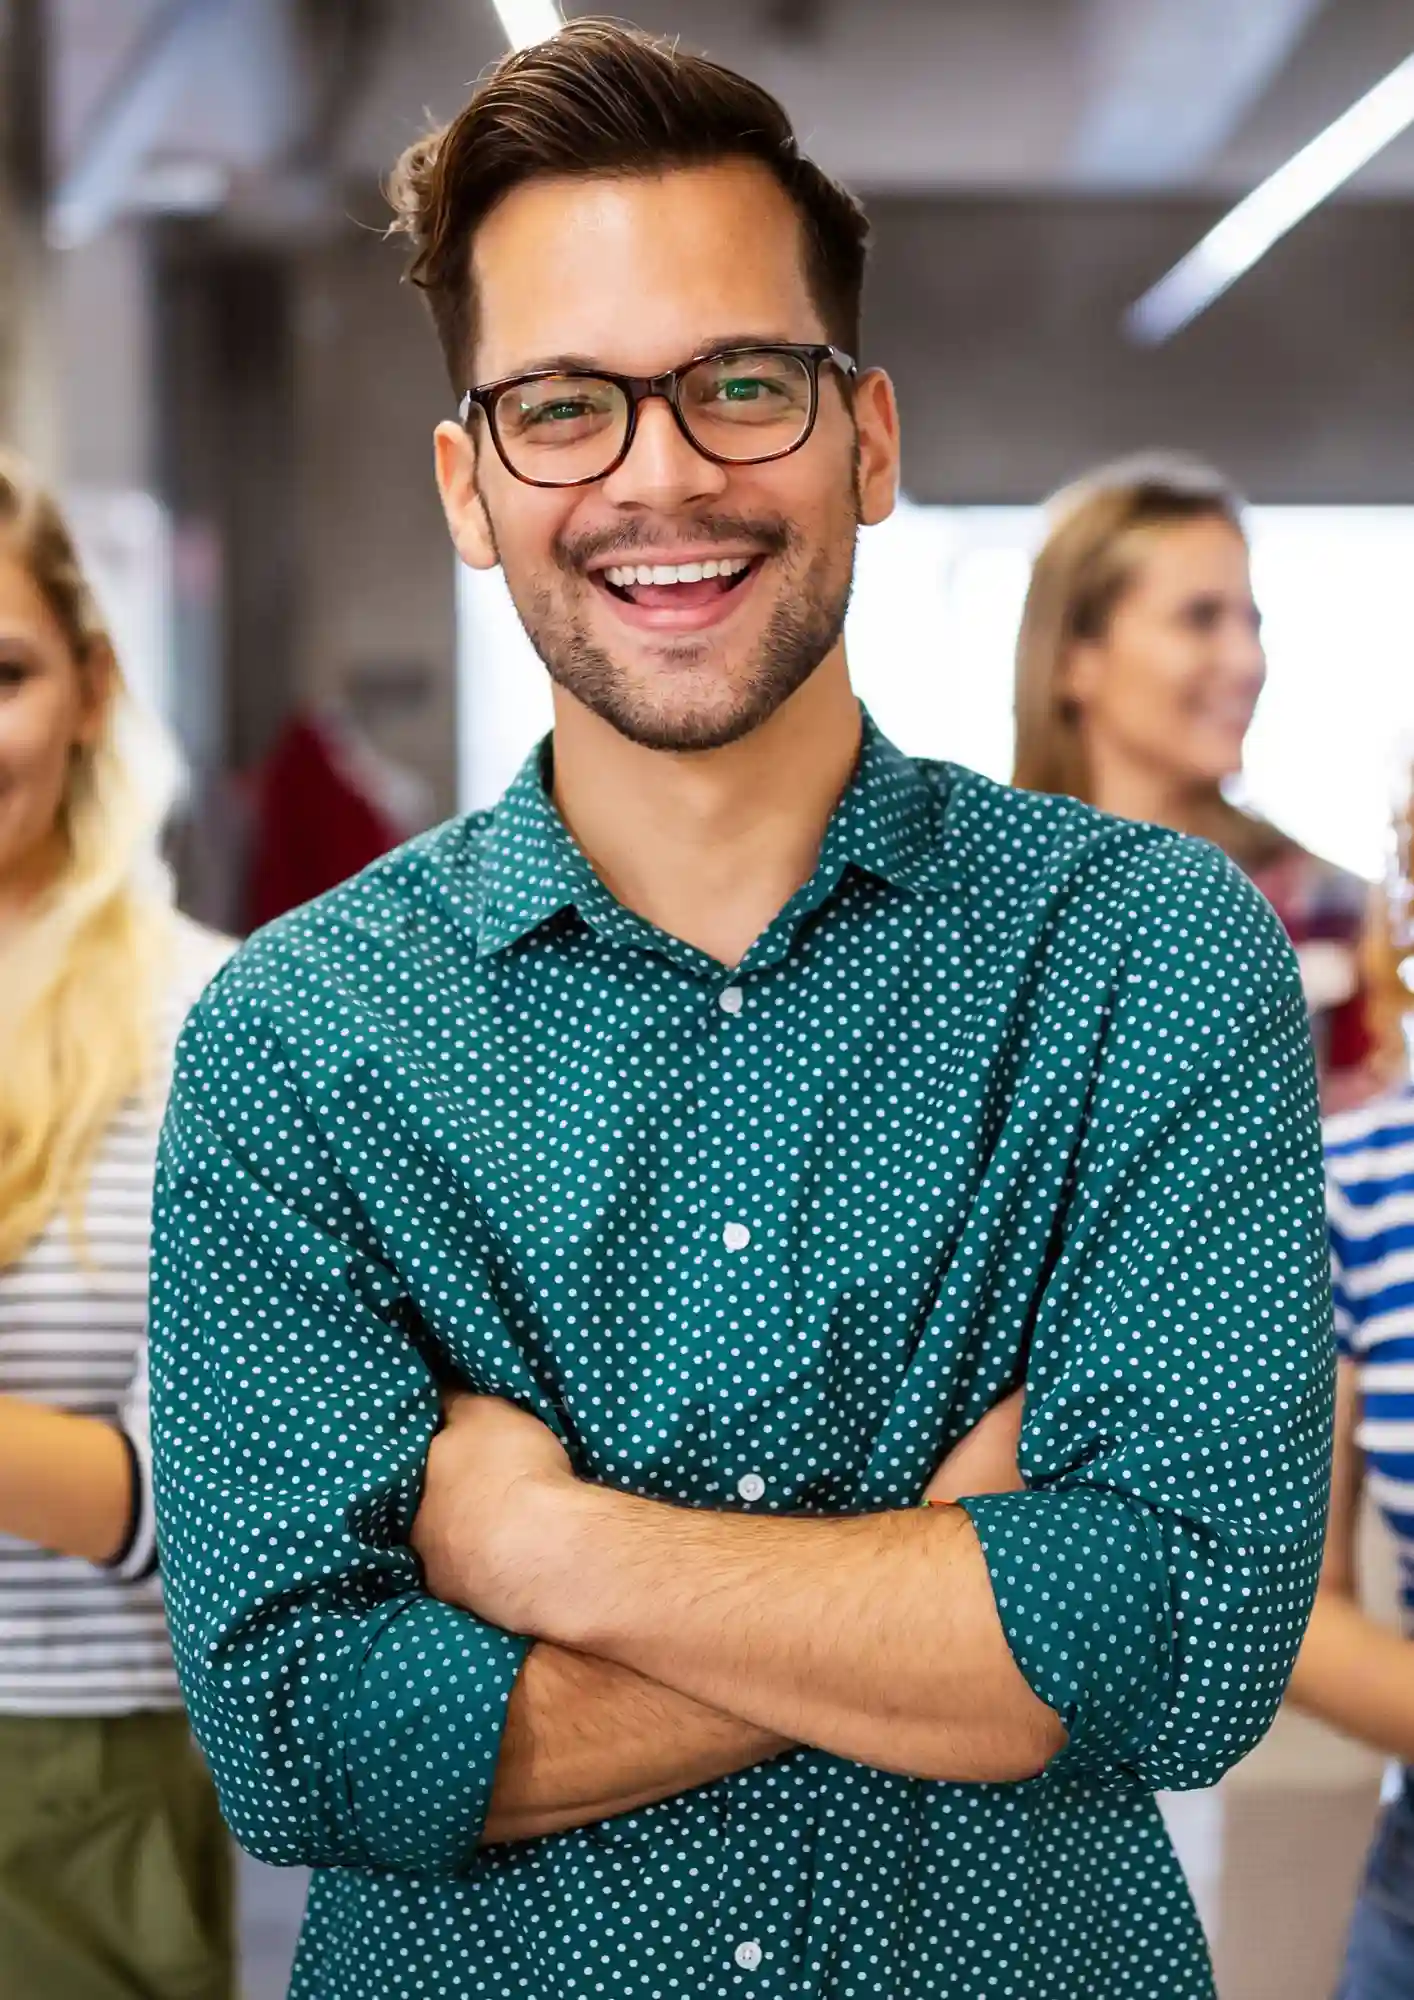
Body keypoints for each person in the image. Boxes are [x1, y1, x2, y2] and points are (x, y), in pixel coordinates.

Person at [148, 23, 1333, 2000]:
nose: (660, 472)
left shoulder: (1146, 953)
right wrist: (942, 1604)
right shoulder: (296, 1037)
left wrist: (545, 1555)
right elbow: (303, 1732)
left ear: (867, 435)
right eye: (561, 410)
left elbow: (1177, 1643)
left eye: (739, 384)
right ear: (466, 483)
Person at [0, 452, 234, 1999]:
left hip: (84, 1773)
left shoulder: (208, 1022)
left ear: (90, 686)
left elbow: (187, 1518)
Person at [1012, 454, 1388, 1111]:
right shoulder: (975, 919)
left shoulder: (1338, 918)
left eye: (1253, 623)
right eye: (1200, 618)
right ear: (1075, 658)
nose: (1248, 661)